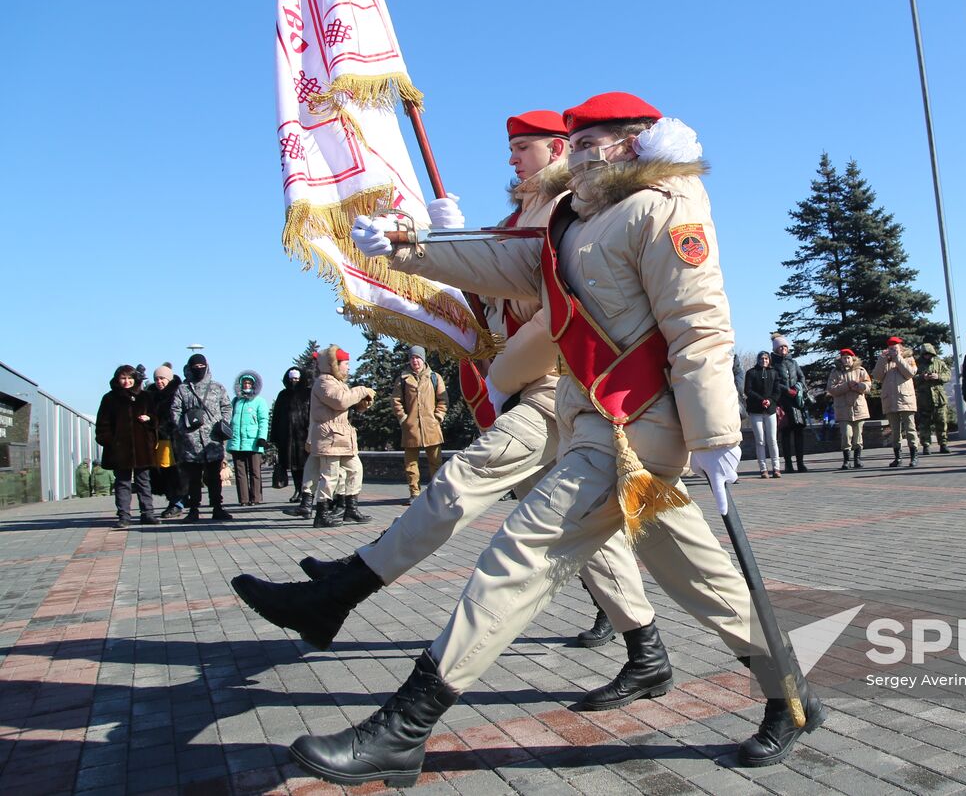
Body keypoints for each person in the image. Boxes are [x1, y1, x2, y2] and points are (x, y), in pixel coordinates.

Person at [271, 92, 823, 785]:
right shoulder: (572, 218)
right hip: (589, 421)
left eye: (594, 140)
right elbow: (500, 263)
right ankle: (791, 690)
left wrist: (716, 435)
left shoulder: (666, 206)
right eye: (578, 140)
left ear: (635, 141)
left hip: (633, 433)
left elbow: (701, 324)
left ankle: (403, 726)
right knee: (700, 575)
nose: (582, 150)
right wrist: (413, 248)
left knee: (521, 551)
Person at [305, 346, 375, 526]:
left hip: (342, 436)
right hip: (329, 436)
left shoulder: (337, 382)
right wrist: (361, 390)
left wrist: (363, 402)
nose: (348, 367)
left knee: (355, 470)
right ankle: (322, 514)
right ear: (334, 365)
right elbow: (340, 401)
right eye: (345, 364)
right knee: (330, 476)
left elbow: (347, 404)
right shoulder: (324, 382)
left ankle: (351, 509)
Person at [95, 364, 161, 527]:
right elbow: (102, 425)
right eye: (123, 378)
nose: (126, 381)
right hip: (120, 450)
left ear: (135, 379)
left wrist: (150, 420)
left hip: (142, 447)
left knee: (143, 481)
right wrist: (111, 442)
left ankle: (148, 513)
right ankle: (124, 516)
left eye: (130, 378)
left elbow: (156, 419)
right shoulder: (109, 398)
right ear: (117, 379)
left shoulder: (145, 397)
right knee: (122, 483)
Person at [170, 353, 233, 521]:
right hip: (191, 442)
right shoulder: (183, 389)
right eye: (195, 367)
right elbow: (175, 411)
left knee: (214, 478)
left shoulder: (217, 387)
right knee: (193, 479)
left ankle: (217, 507)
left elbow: (227, 406)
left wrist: (222, 424)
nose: (199, 370)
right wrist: (183, 428)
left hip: (213, 440)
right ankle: (194, 509)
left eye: (201, 367)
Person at [395, 345, 449, 504]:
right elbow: (396, 401)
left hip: (431, 427)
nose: (415, 361)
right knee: (411, 464)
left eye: (417, 357)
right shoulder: (403, 379)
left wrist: (438, 416)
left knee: (436, 463)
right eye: (412, 358)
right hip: (411, 428)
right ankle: (414, 493)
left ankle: (436, 493)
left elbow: (443, 399)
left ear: (423, 359)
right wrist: (403, 418)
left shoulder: (434, 377)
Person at [873, 337, 919, 467]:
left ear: (901, 348)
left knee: (910, 429)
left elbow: (910, 373)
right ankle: (898, 457)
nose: (892, 350)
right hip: (890, 400)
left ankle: (913, 456)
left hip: (906, 399)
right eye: (890, 348)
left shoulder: (909, 359)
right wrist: (882, 360)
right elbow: (877, 376)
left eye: (895, 348)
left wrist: (898, 358)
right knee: (895, 431)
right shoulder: (885, 361)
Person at [228, 370, 270, 506]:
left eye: (249, 383)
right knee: (240, 473)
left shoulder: (259, 401)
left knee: (255, 471)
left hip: (253, 442)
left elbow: (263, 420)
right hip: (237, 441)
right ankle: (244, 499)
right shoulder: (235, 401)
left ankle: (255, 497)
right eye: (244, 383)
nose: (246, 385)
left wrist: (262, 437)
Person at [270, 367, 312, 504]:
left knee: (306, 466)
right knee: (293, 467)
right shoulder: (283, 395)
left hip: (304, 436)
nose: (294, 381)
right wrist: (275, 437)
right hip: (287, 437)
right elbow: (276, 416)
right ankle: (298, 490)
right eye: (292, 379)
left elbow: (313, 414)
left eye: (297, 379)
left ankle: (306, 492)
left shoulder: (308, 393)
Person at [149, 364, 185, 518]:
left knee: (174, 473)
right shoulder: (150, 395)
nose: (159, 382)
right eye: (156, 379)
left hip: (173, 440)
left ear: (169, 379)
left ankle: (177, 503)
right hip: (156, 440)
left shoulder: (177, 393)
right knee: (162, 473)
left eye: (162, 378)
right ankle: (174, 500)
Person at [770, 335, 809, 473]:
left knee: (799, 433)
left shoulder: (794, 363)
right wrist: (787, 390)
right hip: (782, 402)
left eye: (785, 346)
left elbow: (801, 377)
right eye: (780, 347)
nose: (783, 349)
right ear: (776, 349)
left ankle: (800, 463)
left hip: (796, 403)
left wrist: (799, 387)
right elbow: (774, 381)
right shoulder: (772, 364)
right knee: (785, 434)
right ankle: (788, 464)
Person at [827, 348, 870, 470]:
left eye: (848, 357)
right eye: (844, 357)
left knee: (858, 436)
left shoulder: (861, 370)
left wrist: (858, 386)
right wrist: (846, 386)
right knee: (846, 435)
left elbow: (868, 386)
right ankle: (846, 460)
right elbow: (831, 389)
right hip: (843, 409)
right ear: (841, 359)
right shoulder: (835, 372)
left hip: (858, 408)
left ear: (853, 358)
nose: (846, 359)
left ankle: (857, 459)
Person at [744, 350, 783, 478]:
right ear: (758, 359)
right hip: (756, 410)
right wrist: (761, 400)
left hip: (770, 410)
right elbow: (748, 390)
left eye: (766, 359)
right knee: (760, 440)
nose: (764, 361)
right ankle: (763, 469)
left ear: (769, 360)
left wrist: (770, 401)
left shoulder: (774, 373)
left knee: (772, 440)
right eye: (762, 358)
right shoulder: (751, 373)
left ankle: (776, 468)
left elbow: (777, 391)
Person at [913, 342, 952, 455]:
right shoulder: (917, 364)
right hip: (924, 398)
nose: (927, 356)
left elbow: (947, 375)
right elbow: (911, 378)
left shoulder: (939, 363)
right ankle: (926, 445)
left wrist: (938, 376)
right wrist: (922, 377)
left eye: (929, 354)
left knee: (941, 421)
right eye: (925, 354)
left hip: (939, 397)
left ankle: (943, 444)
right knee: (924, 423)